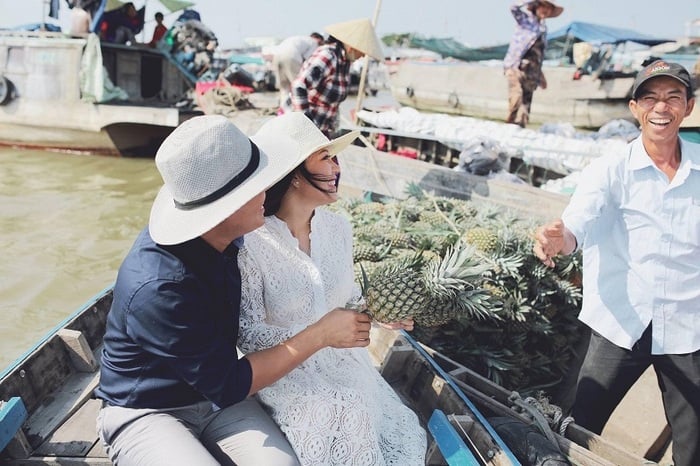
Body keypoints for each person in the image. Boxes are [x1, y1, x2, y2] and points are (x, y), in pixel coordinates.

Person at [94, 114, 375, 465]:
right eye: (257, 185)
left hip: (215, 400)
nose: (268, 190)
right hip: (149, 409)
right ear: (222, 209)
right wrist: (320, 335)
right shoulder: (161, 288)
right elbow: (230, 384)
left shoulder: (231, 237)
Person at [532, 60, 699, 466]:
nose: (661, 108)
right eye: (650, 98)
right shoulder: (610, 170)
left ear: (689, 107)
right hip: (623, 322)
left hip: (687, 323)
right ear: (634, 108)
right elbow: (577, 224)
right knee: (578, 427)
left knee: (694, 442)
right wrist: (558, 238)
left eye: (673, 97)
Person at [237, 112, 426, 465]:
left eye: (335, 158)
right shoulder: (252, 241)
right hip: (284, 371)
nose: (337, 168)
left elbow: (347, 299)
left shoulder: (339, 228)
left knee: (393, 423)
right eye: (326, 158)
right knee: (346, 411)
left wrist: (380, 314)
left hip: (346, 364)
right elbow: (247, 334)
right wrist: (321, 334)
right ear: (295, 174)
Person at [291, 18, 383, 137]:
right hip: (303, 131)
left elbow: (332, 103)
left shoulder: (345, 62)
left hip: (322, 130)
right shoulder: (328, 56)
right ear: (351, 47)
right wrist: (306, 124)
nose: (363, 56)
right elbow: (298, 86)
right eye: (362, 51)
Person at [503, 0, 563, 127]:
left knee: (525, 108)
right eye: (544, 7)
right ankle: (508, 126)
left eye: (549, 9)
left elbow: (539, 55)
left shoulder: (543, 30)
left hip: (532, 72)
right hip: (517, 67)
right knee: (516, 98)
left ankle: (520, 129)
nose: (546, 11)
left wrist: (541, 75)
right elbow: (513, 8)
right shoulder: (525, 20)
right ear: (536, 6)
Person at [270, 32, 323, 111]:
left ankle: (283, 110)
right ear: (319, 39)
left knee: (284, 87)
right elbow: (309, 60)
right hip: (292, 56)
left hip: (277, 55)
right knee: (297, 85)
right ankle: (296, 110)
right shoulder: (314, 42)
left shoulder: (301, 39)